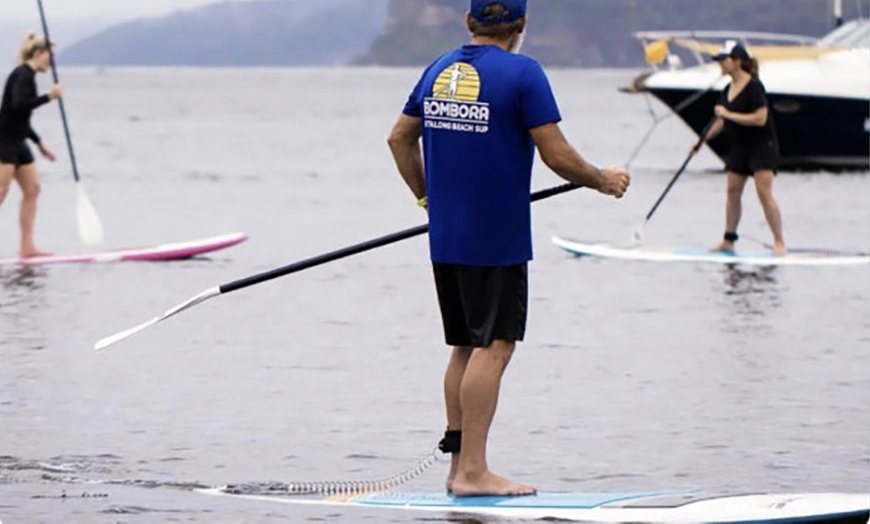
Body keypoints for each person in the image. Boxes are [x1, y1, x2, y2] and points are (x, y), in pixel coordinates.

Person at [387, 0, 630, 497]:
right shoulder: (524, 73)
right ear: (521, 26)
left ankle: (458, 471)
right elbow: (557, 154)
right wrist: (601, 180)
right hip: (495, 237)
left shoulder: (438, 69)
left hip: (448, 236)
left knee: (464, 345)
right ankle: (474, 471)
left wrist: (428, 199)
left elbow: (398, 140)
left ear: (469, 22)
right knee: (495, 345)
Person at [695, 40, 786, 255]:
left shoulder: (754, 86)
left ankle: (779, 242)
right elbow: (721, 121)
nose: (720, 64)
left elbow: (760, 118)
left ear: (737, 61)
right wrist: (701, 141)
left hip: (763, 146)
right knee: (732, 191)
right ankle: (728, 240)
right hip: (740, 147)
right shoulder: (728, 89)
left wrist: (728, 115)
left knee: (764, 192)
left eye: (723, 60)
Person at [0, 33, 62, 258]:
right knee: (1, 191)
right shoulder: (23, 75)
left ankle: (27, 247)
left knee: (32, 190)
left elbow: (21, 118)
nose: (51, 63)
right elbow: (17, 106)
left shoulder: (29, 76)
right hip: (4, 140)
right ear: (38, 54)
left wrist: (39, 144)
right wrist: (49, 97)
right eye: (50, 57)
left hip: (19, 141)